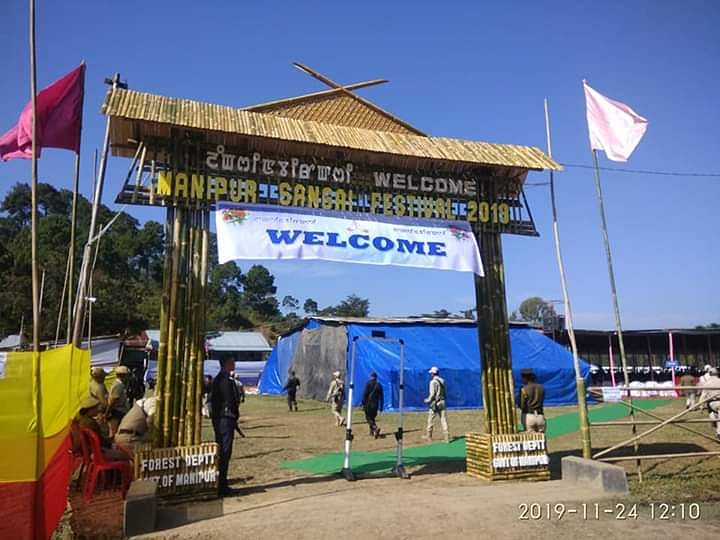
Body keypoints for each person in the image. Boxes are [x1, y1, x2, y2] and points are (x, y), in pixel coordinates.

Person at [211, 357, 241, 496]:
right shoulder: (223, 380)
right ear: (227, 364)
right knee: (224, 452)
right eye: (232, 362)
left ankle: (222, 482)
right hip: (224, 418)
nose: (234, 364)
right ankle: (221, 484)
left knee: (224, 451)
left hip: (223, 418)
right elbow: (230, 400)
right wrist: (234, 415)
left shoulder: (222, 379)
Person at [424, 366, 449, 442]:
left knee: (430, 419)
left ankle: (429, 436)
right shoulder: (442, 380)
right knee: (443, 419)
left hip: (435, 403)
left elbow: (432, 394)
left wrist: (427, 400)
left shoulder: (432, 382)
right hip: (442, 401)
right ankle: (446, 436)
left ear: (432, 373)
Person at [519, 368, 546, 433]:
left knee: (532, 440)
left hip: (529, 416)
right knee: (541, 441)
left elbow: (522, 405)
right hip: (540, 416)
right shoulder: (541, 387)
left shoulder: (524, 389)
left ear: (524, 378)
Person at [107, 365, 131, 437]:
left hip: (120, 411)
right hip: (117, 411)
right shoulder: (118, 385)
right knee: (115, 432)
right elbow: (114, 399)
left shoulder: (120, 384)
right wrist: (108, 412)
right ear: (123, 376)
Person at [697, 367, 720, 441]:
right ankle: (719, 433)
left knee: (714, 419)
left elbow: (703, 396)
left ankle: (718, 432)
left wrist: (701, 406)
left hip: (712, 404)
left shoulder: (707, 383)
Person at [362, 371, 384, 438]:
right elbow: (382, 397)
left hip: (368, 404)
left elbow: (365, 394)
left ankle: (375, 427)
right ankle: (371, 432)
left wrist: (363, 403)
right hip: (375, 405)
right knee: (372, 418)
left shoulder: (368, 384)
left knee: (368, 418)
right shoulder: (379, 385)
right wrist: (381, 407)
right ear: (376, 377)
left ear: (371, 377)